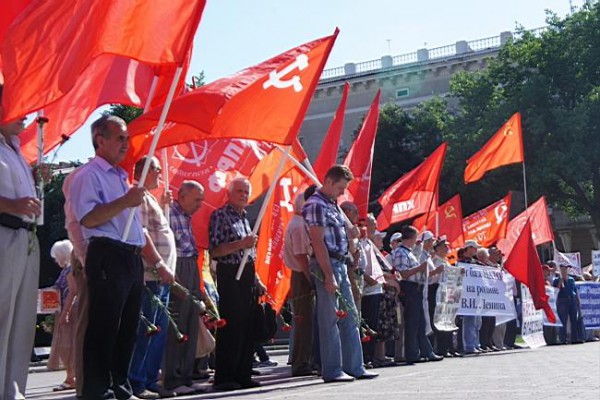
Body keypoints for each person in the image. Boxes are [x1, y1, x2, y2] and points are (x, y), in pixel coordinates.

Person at [70, 115, 147, 400]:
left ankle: (120, 387)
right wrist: (125, 202)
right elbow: (88, 218)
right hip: (107, 254)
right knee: (105, 326)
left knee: (128, 327)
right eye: (119, 138)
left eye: (126, 138)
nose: (126, 143)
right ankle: (97, 390)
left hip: (130, 256)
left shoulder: (120, 176)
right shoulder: (88, 175)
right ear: (99, 140)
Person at [303, 165, 378, 383]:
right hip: (327, 264)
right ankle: (333, 369)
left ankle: (355, 366)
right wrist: (329, 275)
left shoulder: (332, 205)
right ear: (327, 181)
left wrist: (350, 233)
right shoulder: (315, 205)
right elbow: (318, 243)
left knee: (351, 317)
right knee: (330, 319)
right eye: (340, 188)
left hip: (341, 263)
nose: (342, 193)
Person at [0, 84, 42, 400]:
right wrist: (10, 205)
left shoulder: (14, 148)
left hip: (25, 238)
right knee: (2, 316)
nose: (24, 116)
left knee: (21, 321)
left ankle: (12, 389)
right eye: (17, 107)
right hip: (4, 233)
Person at [209, 177, 267, 391]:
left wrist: (257, 279)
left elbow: (249, 254)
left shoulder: (245, 218)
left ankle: (243, 373)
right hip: (229, 272)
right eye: (239, 191)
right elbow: (215, 250)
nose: (243, 195)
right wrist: (240, 244)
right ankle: (225, 376)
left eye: (246, 191)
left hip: (247, 275)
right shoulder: (220, 215)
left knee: (247, 325)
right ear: (229, 193)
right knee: (232, 324)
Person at [128, 156, 177, 399]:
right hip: (150, 274)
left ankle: (148, 379)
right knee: (146, 330)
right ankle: (136, 381)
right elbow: (142, 234)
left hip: (160, 276)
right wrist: (159, 263)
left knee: (157, 330)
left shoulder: (149, 198)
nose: (160, 174)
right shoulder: (137, 195)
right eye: (157, 170)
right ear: (146, 171)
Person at [163, 180, 205, 396]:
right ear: (183, 195)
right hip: (178, 266)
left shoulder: (186, 217)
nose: (200, 204)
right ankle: (173, 377)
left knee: (190, 323)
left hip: (191, 265)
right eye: (197, 199)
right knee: (177, 325)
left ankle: (186, 376)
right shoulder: (169, 212)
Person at [392, 225, 442, 364]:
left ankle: (424, 351)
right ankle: (412, 353)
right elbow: (403, 273)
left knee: (420, 322)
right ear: (411, 237)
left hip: (417, 288)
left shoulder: (410, 252)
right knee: (412, 322)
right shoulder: (400, 252)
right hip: (409, 288)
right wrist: (419, 268)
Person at [283, 192, 316, 376]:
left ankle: (302, 360)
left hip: (300, 274)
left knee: (304, 320)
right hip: (301, 275)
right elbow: (302, 256)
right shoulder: (299, 226)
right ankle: (301, 362)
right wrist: (310, 278)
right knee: (304, 321)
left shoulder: (297, 223)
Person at [62, 166, 89, 398]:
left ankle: (98, 379)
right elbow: (74, 223)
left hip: (103, 256)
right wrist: (85, 258)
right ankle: (86, 383)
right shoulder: (79, 179)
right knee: (89, 323)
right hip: (88, 258)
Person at [48, 239, 78, 392]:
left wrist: (65, 312)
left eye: (56, 256)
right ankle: (71, 377)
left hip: (70, 310)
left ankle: (70, 377)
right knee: (69, 344)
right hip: (69, 309)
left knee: (67, 345)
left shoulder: (69, 270)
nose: (55, 260)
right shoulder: (69, 269)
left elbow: (73, 291)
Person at [553, 264, 581, 344]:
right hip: (563, 301)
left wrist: (578, 300)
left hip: (572, 300)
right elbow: (556, 290)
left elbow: (575, 290)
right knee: (563, 320)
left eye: (566, 269)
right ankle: (563, 339)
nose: (564, 270)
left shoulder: (571, 279)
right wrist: (561, 281)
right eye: (563, 269)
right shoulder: (557, 279)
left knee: (574, 320)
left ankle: (574, 338)